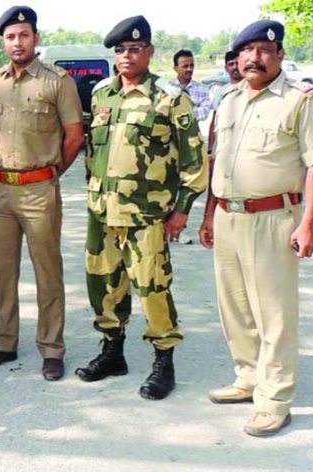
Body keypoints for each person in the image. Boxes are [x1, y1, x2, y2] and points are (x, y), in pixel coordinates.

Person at [199, 20, 313, 436]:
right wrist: (208, 213)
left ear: (280, 56)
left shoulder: (301, 100)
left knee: (274, 313)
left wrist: (309, 223)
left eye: (264, 50)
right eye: (247, 51)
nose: (254, 58)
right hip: (227, 216)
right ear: (237, 58)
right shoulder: (230, 99)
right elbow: (216, 162)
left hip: (273, 218)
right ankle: (249, 378)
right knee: (235, 308)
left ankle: (275, 400)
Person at [75, 15, 208, 401]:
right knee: (103, 284)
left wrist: (182, 209)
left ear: (149, 51)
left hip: (147, 215)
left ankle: (163, 361)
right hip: (102, 212)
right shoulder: (102, 95)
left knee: (152, 287)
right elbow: (92, 153)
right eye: (120, 50)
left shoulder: (169, 98)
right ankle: (113, 351)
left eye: (135, 49)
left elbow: (195, 162)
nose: (127, 56)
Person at [0, 6, 84, 382]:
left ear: (35, 37)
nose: (16, 42)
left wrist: (51, 174)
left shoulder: (58, 81)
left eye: (23, 35)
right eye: (9, 36)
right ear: (2, 41)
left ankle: (52, 349)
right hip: (1, 191)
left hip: (39, 191)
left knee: (47, 273)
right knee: (3, 273)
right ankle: (4, 342)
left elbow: (74, 136)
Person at [171, 49, 212, 122]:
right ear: (175, 68)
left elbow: (204, 112)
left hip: (192, 132)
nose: (189, 69)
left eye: (191, 65)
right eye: (185, 66)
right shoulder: (168, 88)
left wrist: (178, 117)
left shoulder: (201, 89)